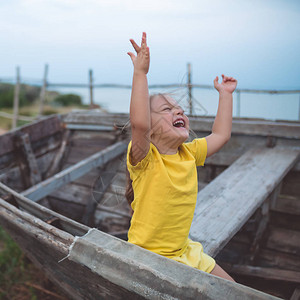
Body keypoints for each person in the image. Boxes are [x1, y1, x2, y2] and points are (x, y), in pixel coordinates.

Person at [126, 32, 237, 282]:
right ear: (152, 128)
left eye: (180, 109)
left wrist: (225, 95)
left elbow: (221, 134)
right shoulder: (145, 158)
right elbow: (139, 124)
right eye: (167, 109)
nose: (178, 110)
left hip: (184, 250)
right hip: (149, 255)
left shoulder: (189, 152)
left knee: (232, 288)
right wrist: (140, 73)